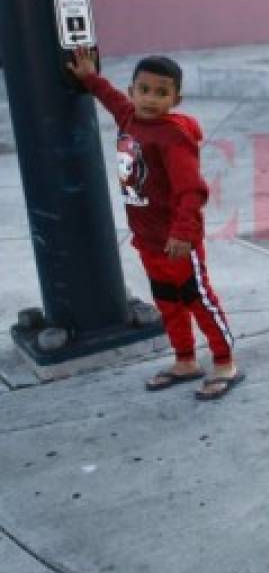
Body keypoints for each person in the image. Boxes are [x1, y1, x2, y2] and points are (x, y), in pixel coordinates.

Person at [66, 49, 244, 400]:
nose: (150, 98)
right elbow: (110, 98)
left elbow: (191, 190)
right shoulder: (130, 118)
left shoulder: (173, 136)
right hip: (147, 239)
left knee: (197, 299)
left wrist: (183, 233)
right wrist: (89, 77)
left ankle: (224, 362)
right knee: (167, 302)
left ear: (176, 99)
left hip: (176, 240)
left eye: (161, 93)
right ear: (133, 91)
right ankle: (185, 360)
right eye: (143, 89)